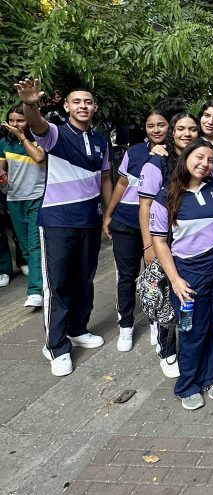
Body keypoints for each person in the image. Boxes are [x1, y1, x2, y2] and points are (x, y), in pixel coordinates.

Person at [15, 79, 112, 377]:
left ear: (95, 107)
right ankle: (56, 346)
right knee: (58, 284)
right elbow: (37, 124)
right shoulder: (56, 134)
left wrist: (108, 214)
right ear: (67, 107)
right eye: (77, 102)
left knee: (84, 280)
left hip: (89, 220)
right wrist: (30, 104)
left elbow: (105, 178)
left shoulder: (101, 139)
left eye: (88, 102)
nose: (83, 106)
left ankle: (78, 329)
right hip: (57, 221)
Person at [150, 139, 213, 410]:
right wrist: (175, 280)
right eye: (199, 157)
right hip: (189, 277)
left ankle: (210, 378)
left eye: (210, 160)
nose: (205, 163)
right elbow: (159, 242)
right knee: (191, 329)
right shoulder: (166, 196)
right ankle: (187, 385)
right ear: (186, 157)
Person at [102, 109, 170, 352]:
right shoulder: (134, 152)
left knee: (155, 275)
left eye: (161, 124)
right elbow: (121, 184)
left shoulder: (175, 154)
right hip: (126, 223)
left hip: (157, 227)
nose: (156, 129)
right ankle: (126, 324)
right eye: (151, 125)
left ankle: (155, 320)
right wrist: (108, 214)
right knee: (126, 276)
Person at [138, 113, 200, 378]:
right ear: (172, 132)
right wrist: (148, 246)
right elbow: (145, 206)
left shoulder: (199, 160)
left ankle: (185, 347)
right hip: (162, 240)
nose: (187, 134)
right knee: (165, 297)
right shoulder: (158, 162)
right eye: (181, 129)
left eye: (192, 129)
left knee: (183, 296)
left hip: (188, 242)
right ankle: (166, 350)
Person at [0, 105, 46, 307]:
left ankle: (35, 291)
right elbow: (2, 169)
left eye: (20, 120)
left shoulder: (41, 139)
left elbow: (39, 157)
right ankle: (44, 275)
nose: (15, 124)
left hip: (38, 197)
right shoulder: (4, 143)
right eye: (12, 120)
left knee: (35, 245)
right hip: (14, 198)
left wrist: (22, 137)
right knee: (25, 246)